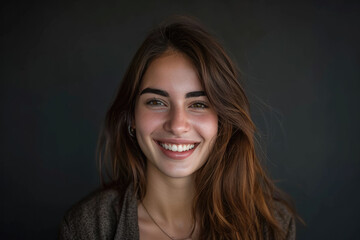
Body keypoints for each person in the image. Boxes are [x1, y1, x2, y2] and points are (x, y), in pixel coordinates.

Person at [59, 16, 296, 240]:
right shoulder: (87, 228)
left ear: (222, 121)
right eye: (157, 102)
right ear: (131, 116)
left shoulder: (271, 227)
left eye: (199, 104)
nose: (177, 125)